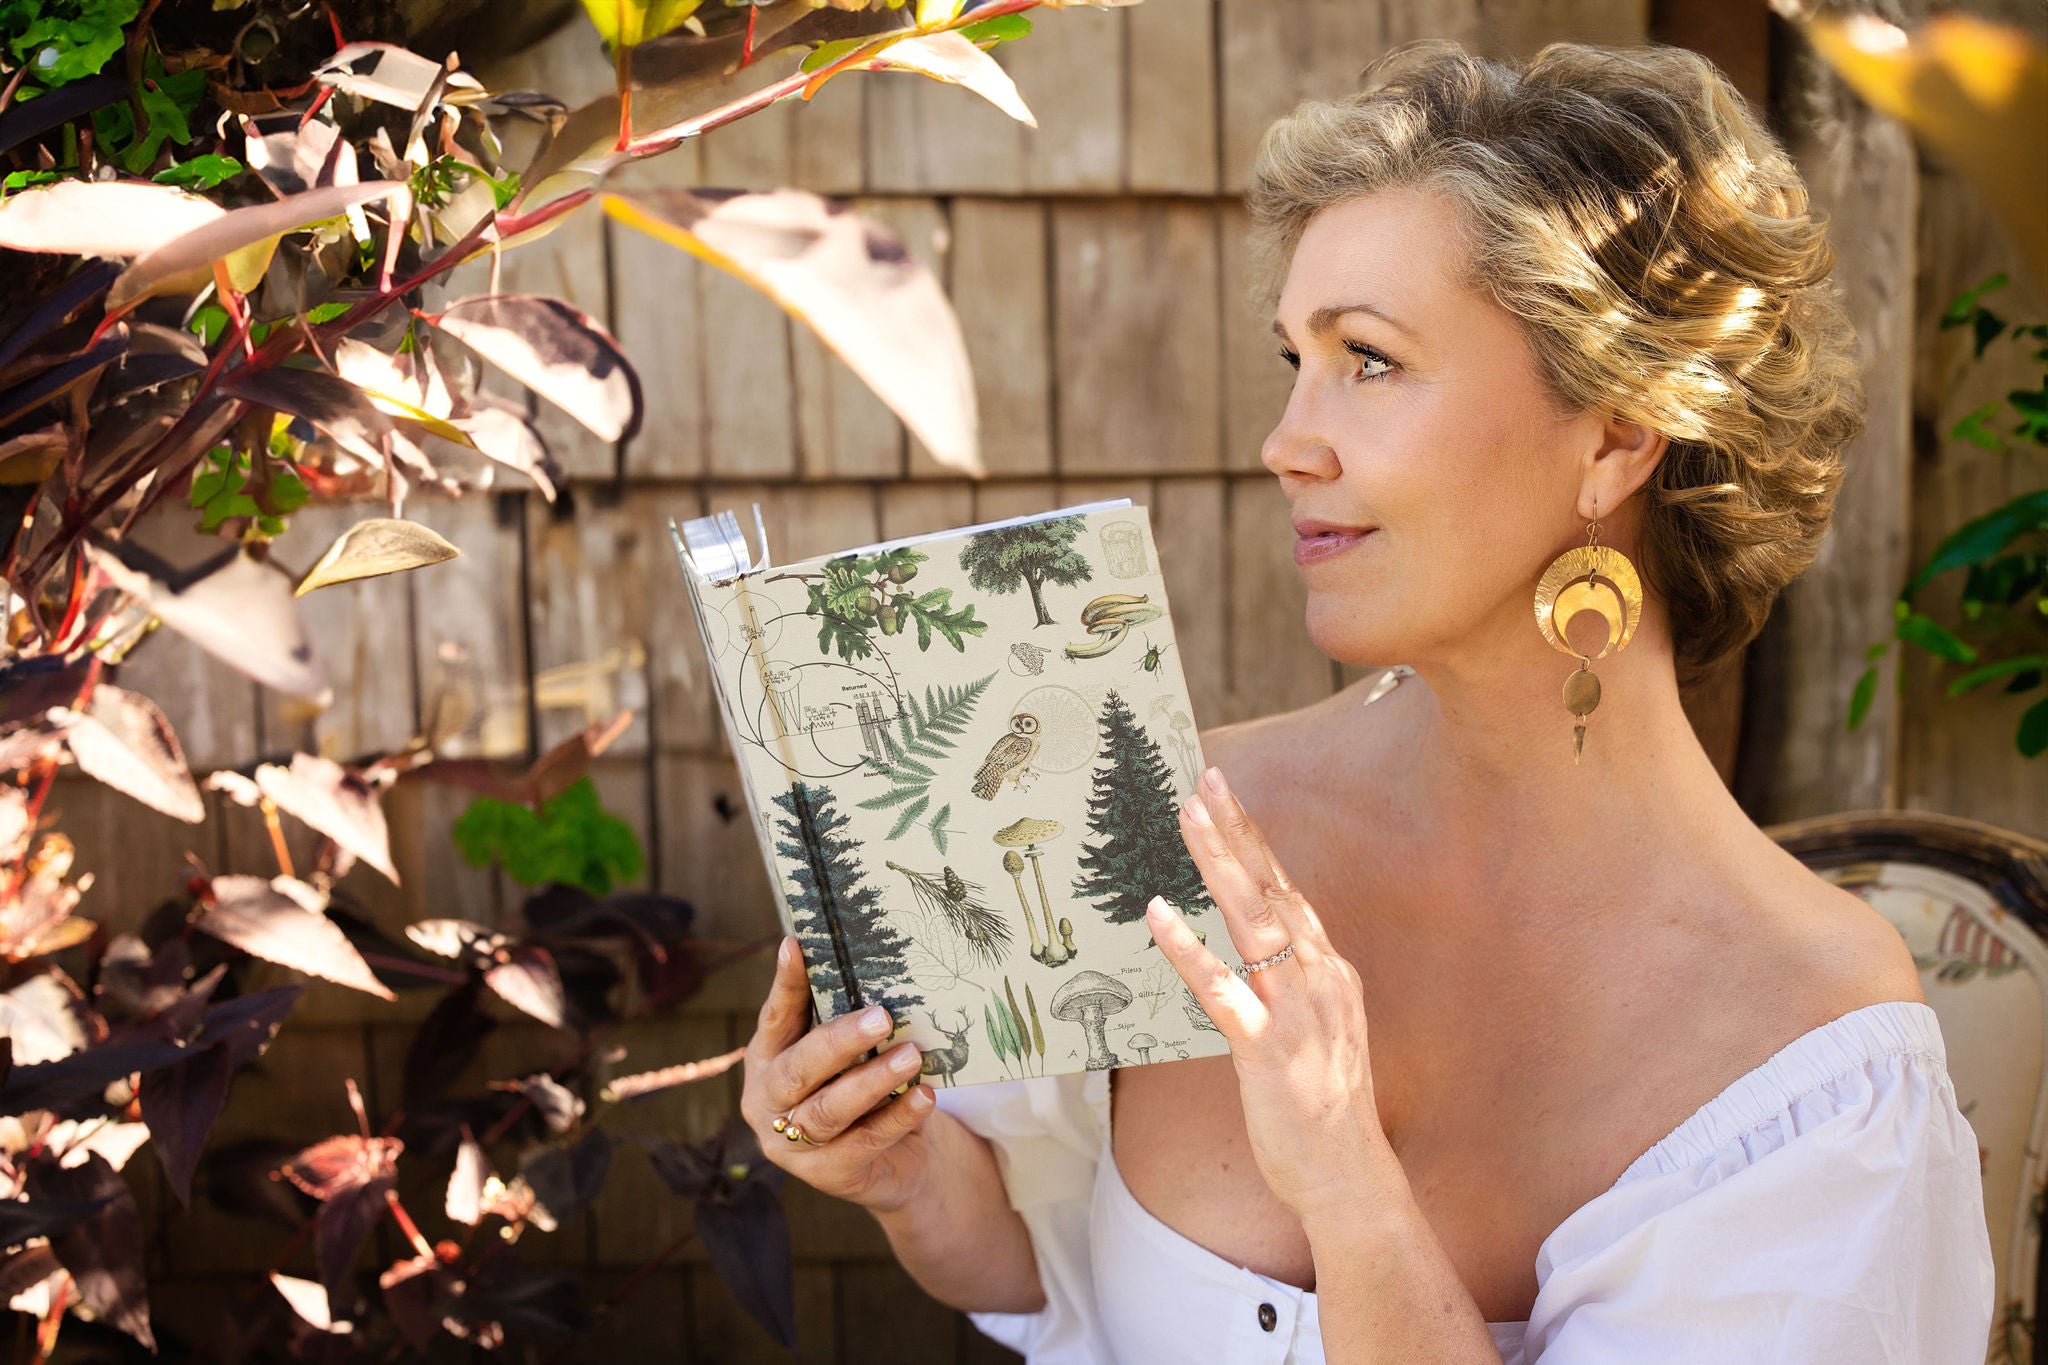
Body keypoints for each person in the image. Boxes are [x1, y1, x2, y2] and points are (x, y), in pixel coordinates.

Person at [735, 39, 1996, 1364]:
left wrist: (1343, 1177)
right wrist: (900, 1166)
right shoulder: (1180, 823)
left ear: (1617, 434)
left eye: (1371, 361)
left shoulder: (1815, 1054)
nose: (1289, 440)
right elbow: (1041, 1265)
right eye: (1294, 357)